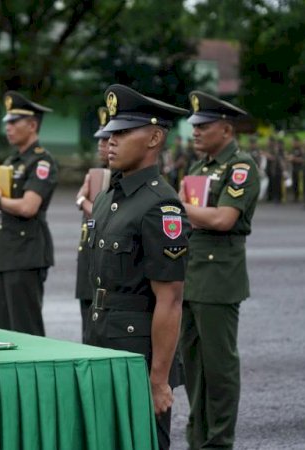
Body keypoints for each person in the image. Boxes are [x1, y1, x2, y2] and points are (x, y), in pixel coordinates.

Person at [82, 84, 189, 450]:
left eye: (124, 132)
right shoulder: (109, 197)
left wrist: (159, 379)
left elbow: (170, 300)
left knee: (143, 441)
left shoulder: (161, 206)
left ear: (155, 138)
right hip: (101, 344)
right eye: (111, 132)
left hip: (137, 355)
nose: (111, 140)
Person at [179, 90, 259, 450]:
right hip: (193, 274)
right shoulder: (201, 167)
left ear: (226, 129)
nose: (195, 131)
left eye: (203, 125)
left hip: (219, 276)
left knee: (219, 367)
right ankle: (198, 437)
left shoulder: (240, 167)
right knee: (194, 366)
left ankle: (219, 441)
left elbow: (224, 219)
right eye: (194, 125)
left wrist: (177, 207)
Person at [0, 91, 58, 336]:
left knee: (25, 327)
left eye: (14, 122)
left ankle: (37, 374)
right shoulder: (11, 160)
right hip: (7, 253)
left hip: (27, 253)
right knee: (4, 327)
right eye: (7, 122)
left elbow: (29, 207)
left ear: (32, 125)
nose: (8, 127)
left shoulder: (41, 162)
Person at [74, 105, 115, 340]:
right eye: (100, 140)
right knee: (87, 330)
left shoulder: (115, 177)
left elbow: (103, 217)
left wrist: (82, 200)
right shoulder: (98, 173)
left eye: (107, 139)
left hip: (103, 263)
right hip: (88, 258)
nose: (101, 145)